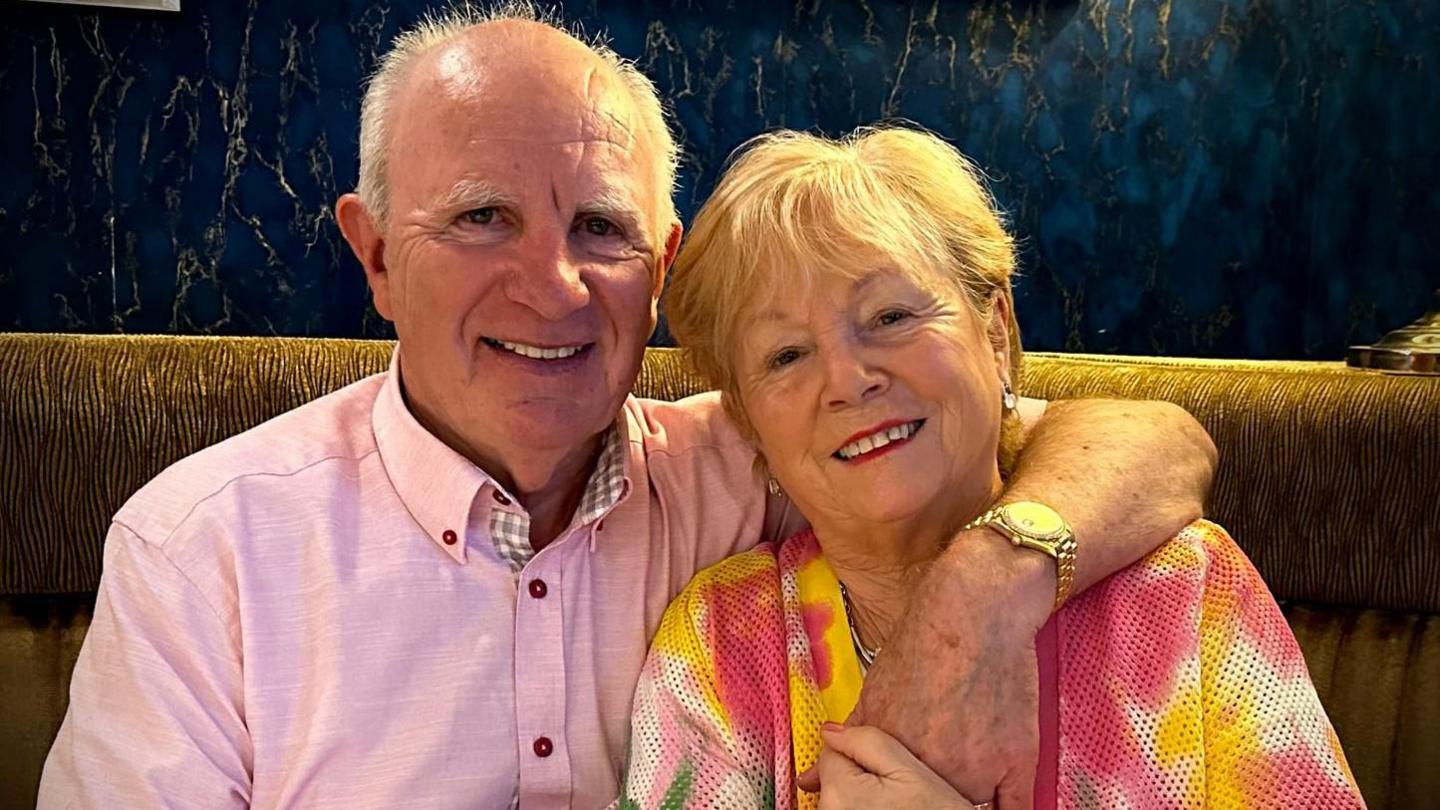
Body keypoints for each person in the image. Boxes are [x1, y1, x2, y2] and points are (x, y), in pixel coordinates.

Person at [38, 7, 1219, 809]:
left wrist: (981, 589)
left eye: (599, 229)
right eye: (482, 217)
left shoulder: (766, 447)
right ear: (377, 258)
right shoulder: (205, 552)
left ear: (660, 271)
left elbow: (1149, 439)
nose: (552, 284)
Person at [619, 127, 1364, 809]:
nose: (847, 379)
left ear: (997, 332)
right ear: (750, 424)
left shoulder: (1184, 590)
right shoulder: (722, 643)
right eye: (786, 356)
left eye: (890, 317)